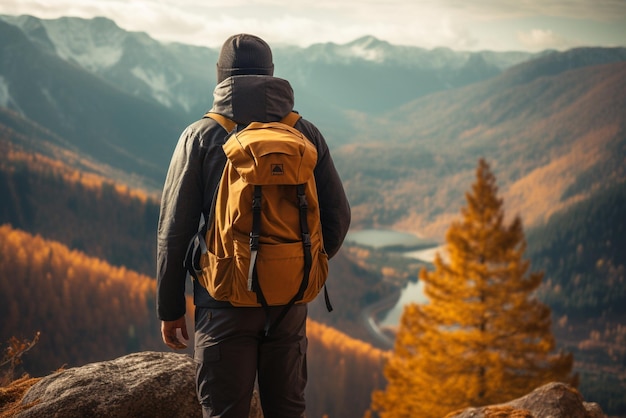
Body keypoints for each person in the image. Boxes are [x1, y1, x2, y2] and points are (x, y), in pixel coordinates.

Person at [156, 33, 351, 418]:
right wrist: (301, 261)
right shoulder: (304, 133)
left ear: (221, 77)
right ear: (272, 74)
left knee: (225, 411)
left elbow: (174, 229)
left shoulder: (201, 135)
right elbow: (338, 218)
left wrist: (170, 306)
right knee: (287, 410)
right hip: (290, 300)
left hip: (223, 300)